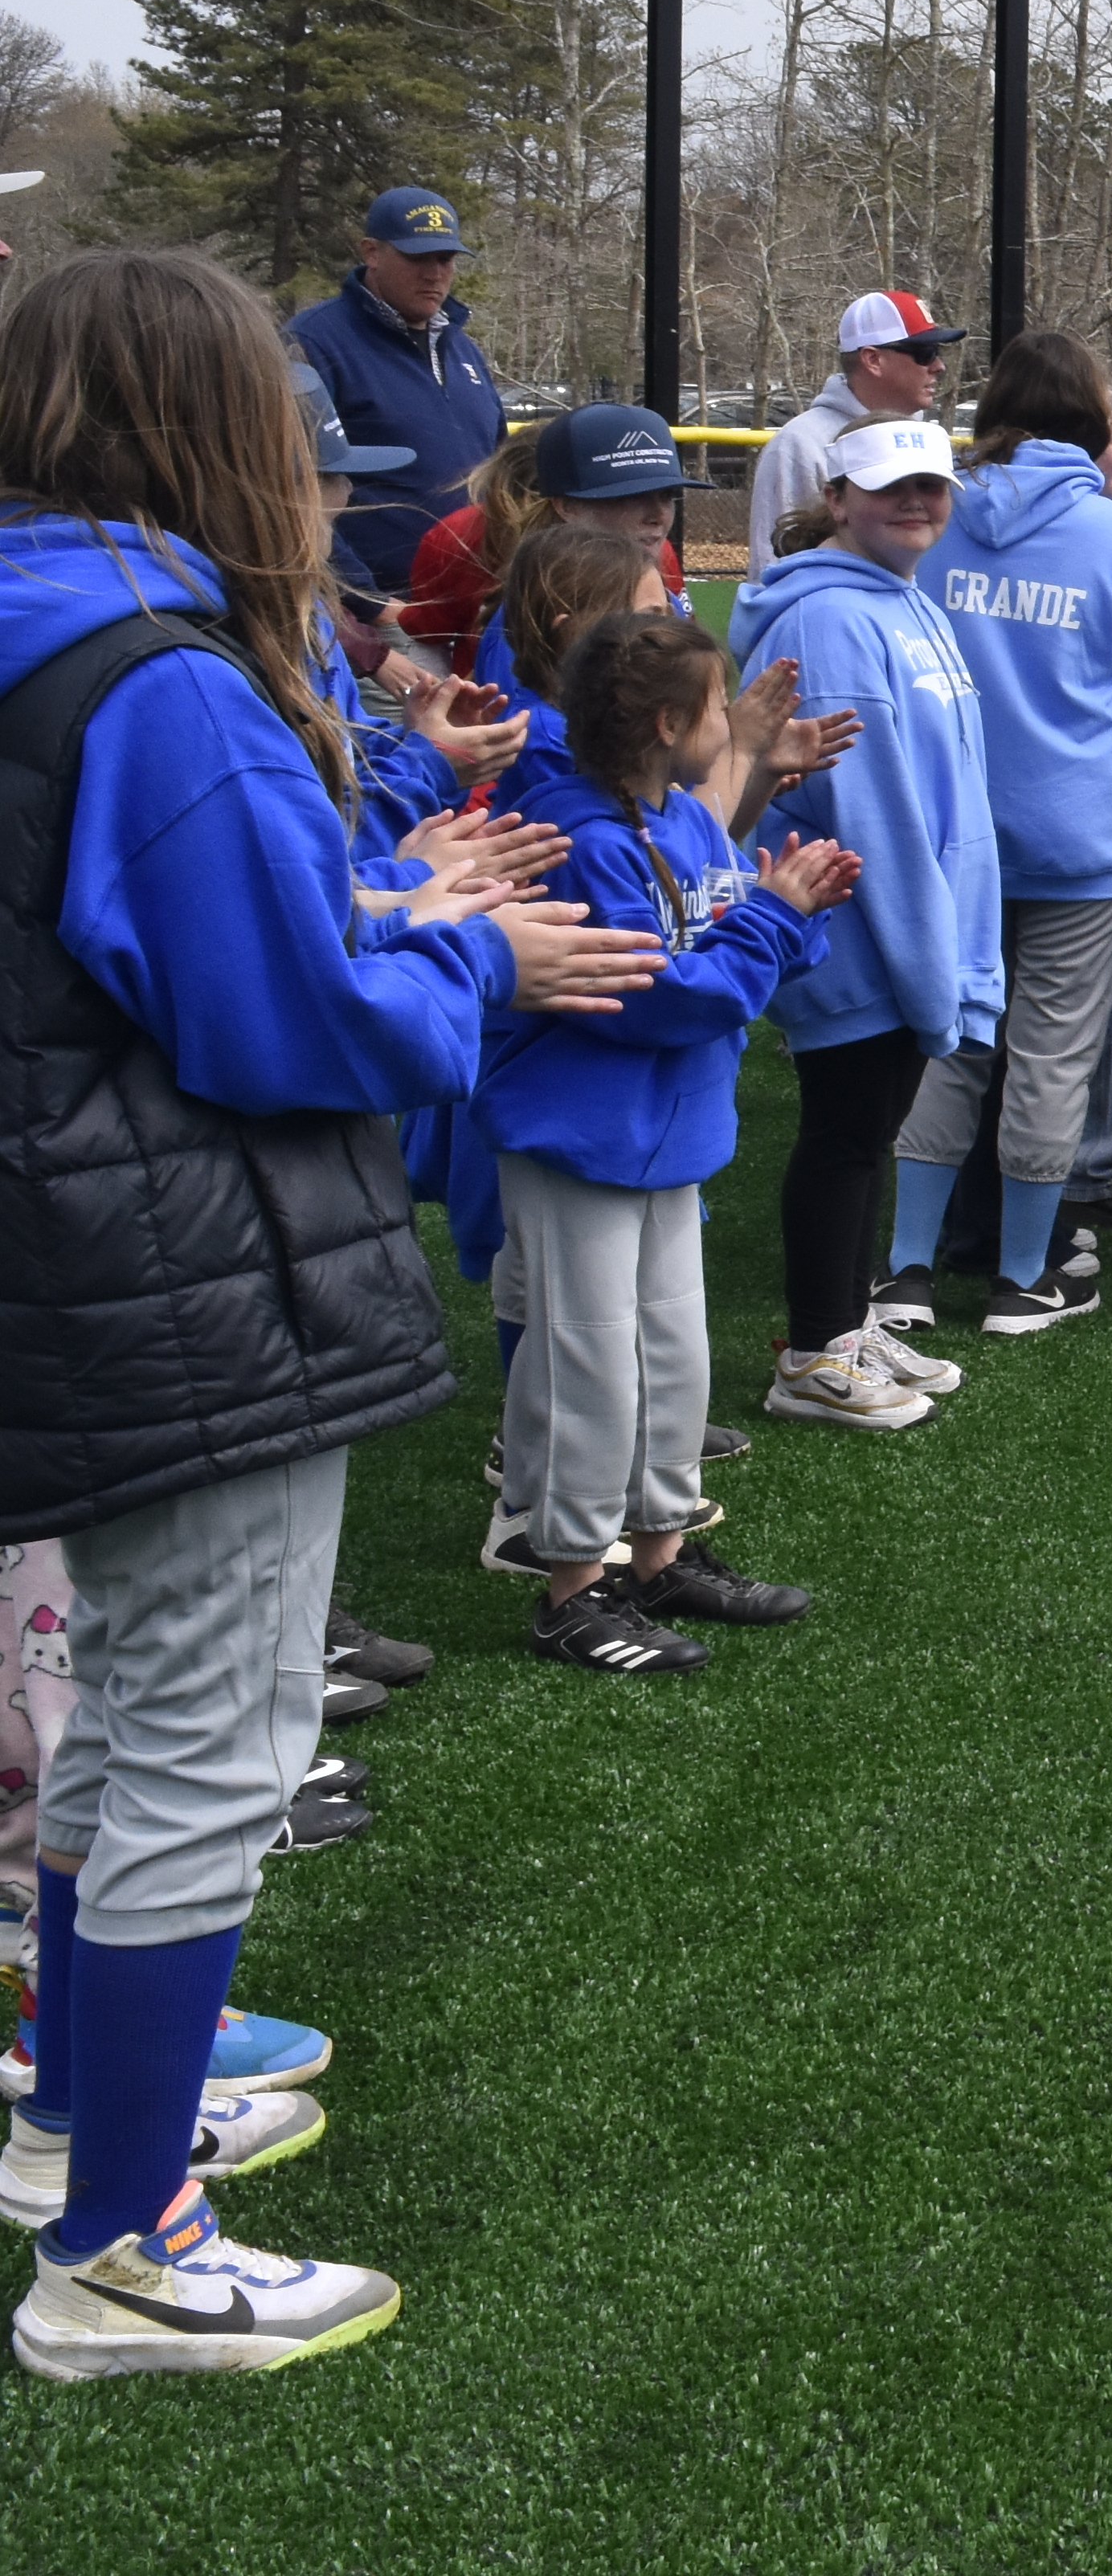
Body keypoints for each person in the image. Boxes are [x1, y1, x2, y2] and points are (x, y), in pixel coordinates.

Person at [4, 247, 659, 2378]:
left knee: (132, 1712)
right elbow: (280, 1022)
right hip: (171, 1262)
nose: (314, 460)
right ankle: (123, 2249)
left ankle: (83, 2122)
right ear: (210, 433)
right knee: (208, 1730)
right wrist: (459, 954)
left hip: (82, 1242)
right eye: (286, 425)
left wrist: (387, 893)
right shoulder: (160, 665)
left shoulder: (48, 617)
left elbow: (150, 937)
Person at [480, 610, 848, 1666]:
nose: (733, 719)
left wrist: (800, 906)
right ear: (666, 723)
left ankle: (660, 1553)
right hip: (579, 1145)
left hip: (669, 1139)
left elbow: (745, 960)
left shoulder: (686, 820)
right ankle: (568, 1588)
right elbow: (660, 996)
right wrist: (773, 920)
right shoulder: (581, 841)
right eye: (717, 702)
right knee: (589, 1366)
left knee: (671, 1360)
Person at [880, 334, 1112, 1337]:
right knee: (1053, 1053)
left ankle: (907, 1271)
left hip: (953, 824)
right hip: (1080, 831)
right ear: (1091, 420)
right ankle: (1023, 1277)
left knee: (951, 1040)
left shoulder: (936, 517)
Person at [721, 410, 1002, 1426]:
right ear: (837, 497)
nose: (919, 503)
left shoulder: (897, 596)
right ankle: (810, 1352)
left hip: (901, 924)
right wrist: (933, 966)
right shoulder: (831, 617)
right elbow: (869, 809)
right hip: (857, 925)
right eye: (892, 488)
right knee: (845, 1133)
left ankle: (844, 1321)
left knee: (870, 1130)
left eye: (932, 486)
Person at [284, 188, 506, 594]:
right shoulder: (314, 342)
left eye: (445, 259)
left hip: (475, 599)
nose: (435, 273)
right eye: (417, 257)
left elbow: (501, 471)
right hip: (384, 606)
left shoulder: (464, 350)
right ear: (371, 252)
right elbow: (294, 492)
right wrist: (368, 606)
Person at [395, 400, 685, 660]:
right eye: (630, 495)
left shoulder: (652, 549)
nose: (658, 516)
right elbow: (425, 636)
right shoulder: (463, 538)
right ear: (566, 505)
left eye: (668, 494)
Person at [741, 292, 964, 588]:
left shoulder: (926, 440)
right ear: (873, 359)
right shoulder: (800, 444)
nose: (938, 366)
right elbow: (771, 575)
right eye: (924, 352)